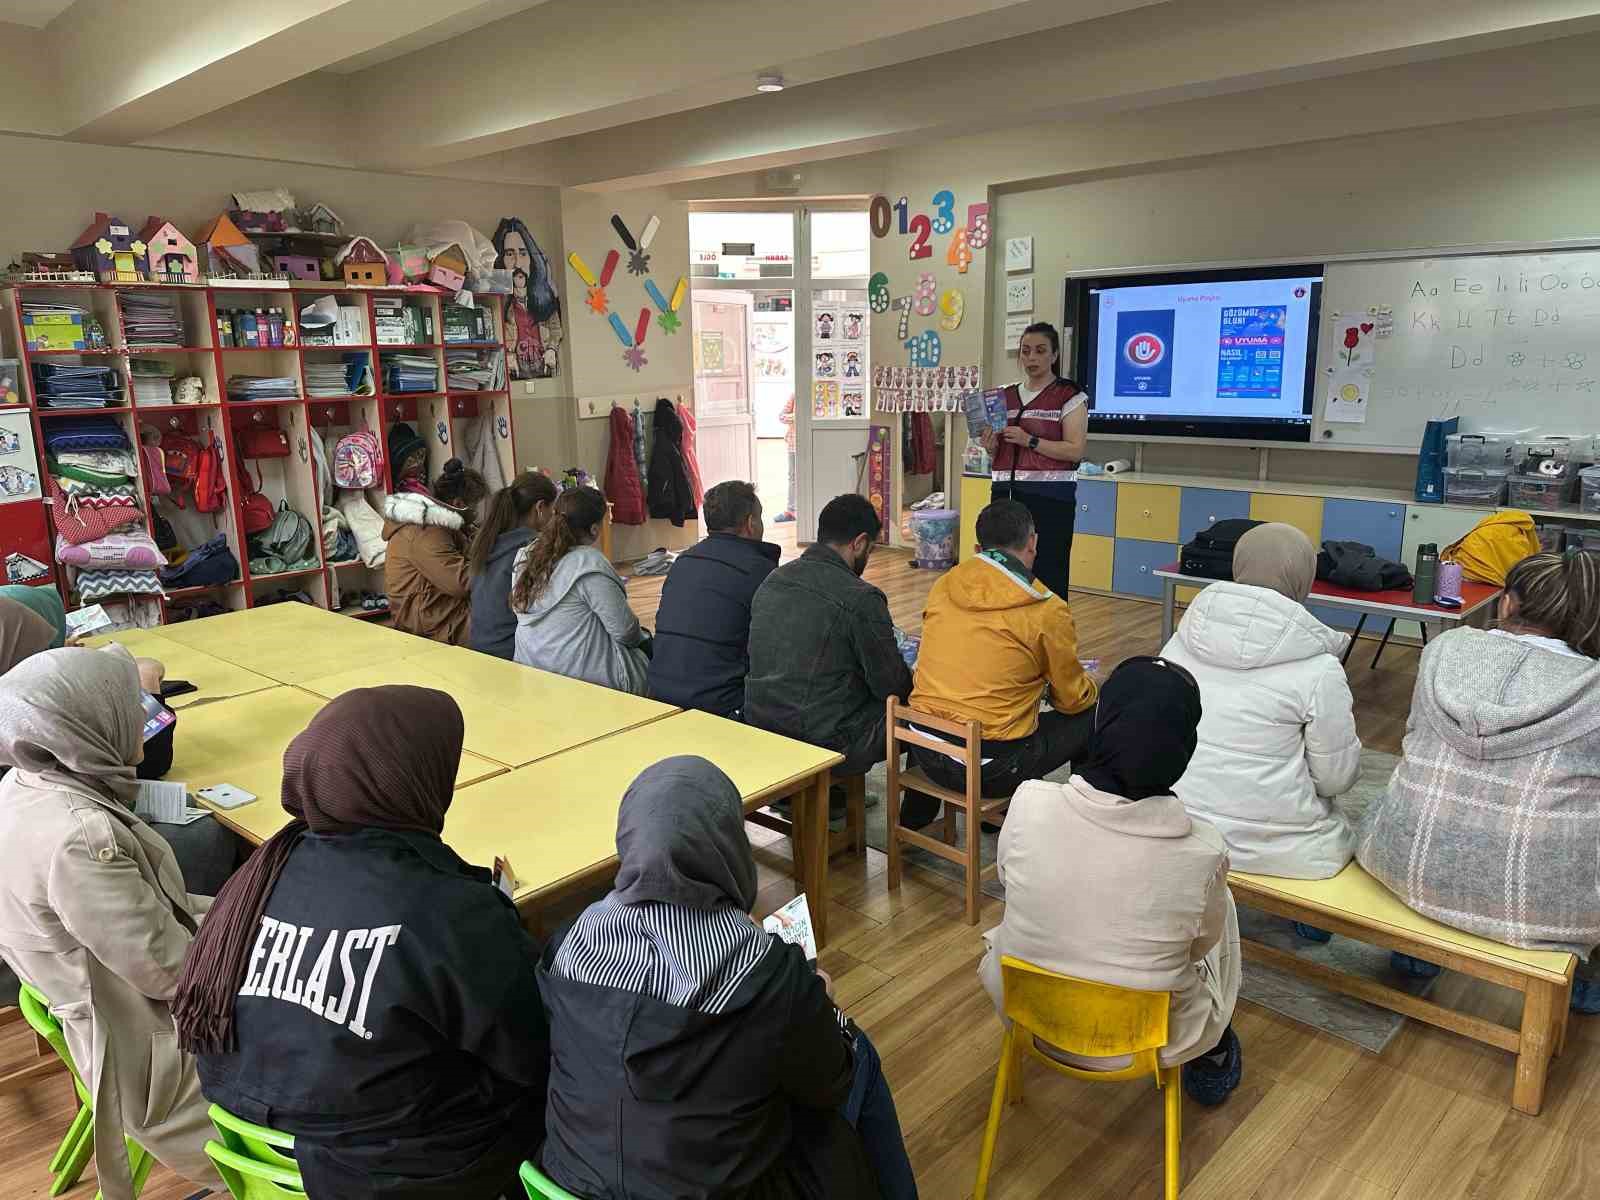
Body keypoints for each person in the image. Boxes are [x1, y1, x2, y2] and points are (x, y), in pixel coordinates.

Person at [176, 685, 549, 1199]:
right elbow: (531, 1052)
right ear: (414, 778)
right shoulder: (449, 909)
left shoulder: (258, 875)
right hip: (397, 1173)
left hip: (254, 1152)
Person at [538, 756, 917, 1200]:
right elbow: (832, 1081)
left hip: (572, 1185)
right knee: (860, 1054)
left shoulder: (568, 942)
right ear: (729, 845)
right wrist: (822, 1004)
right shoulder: (764, 970)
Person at [0, 647, 219, 1198]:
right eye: (133, 706)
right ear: (88, 726)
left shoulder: (23, 784)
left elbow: (158, 913)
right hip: (154, 1052)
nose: (146, 716)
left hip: (111, 1012)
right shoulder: (79, 840)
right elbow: (175, 977)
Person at [978, 657, 1242, 1106]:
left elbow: (1009, 879)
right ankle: (1212, 1049)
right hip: (1147, 1041)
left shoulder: (1028, 803)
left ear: (1101, 726)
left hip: (1027, 1013)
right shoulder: (1204, 851)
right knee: (1221, 908)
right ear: (1185, 747)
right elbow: (1198, 947)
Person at [1358, 550, 1600, 1005]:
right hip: (1539, 906)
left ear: (1508, 604)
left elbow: (1413, 737)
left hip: (1402, 863)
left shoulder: (1443, 649)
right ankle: (1582, 986)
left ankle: (1415, 953)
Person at [0, 597, 243, 897]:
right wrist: (147, 687)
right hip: (61, 849)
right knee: (204, 832)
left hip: (37, 857)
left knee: (189, 809)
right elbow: (145, 760)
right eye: (44, 644)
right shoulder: (29, 719)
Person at [1160, 522, 1361, 879]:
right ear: (1305, 577)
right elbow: (1336, 778)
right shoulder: (1320, 668)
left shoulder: (1180, 642)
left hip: (1179, 825)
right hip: (1283, 850)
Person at [905, 499, 1098, 827]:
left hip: (924, 751)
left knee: (944, 705)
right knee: (1092, 715)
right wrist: (1092, 685)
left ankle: (912, 822)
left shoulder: (944, 585)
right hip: (991, 768)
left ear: (978, 547)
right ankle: (1086, 824)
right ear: (1033, 543)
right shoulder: (1046, 608)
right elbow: (1071, 699)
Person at [746, 493, 912, 779]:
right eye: (869, 551)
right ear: (859, 543)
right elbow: (891, 686)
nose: (867, 560)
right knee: (925, 716)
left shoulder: (774, 580)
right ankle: (912, 820)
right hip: (825, 741)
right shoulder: (861, 598)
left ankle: (826, 799)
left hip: (760, 724)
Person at [648, 480, 781, 718]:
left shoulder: (683, 562)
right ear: (750, 523)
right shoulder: (760, 571)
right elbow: (776, 650)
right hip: (721, 705)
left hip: (660, 693)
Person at [982, 322, 1087, 599]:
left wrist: (1031, 440)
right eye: (1026, 351)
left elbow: (1075, 451)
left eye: (1040, 351)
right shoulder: (1003, 396)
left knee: (1049, 570)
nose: (1031, 358)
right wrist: (991, 447)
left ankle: (1050, 635)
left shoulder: (1070, 396)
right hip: (1005, 497)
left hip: (1050, 499)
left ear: (1053, 356)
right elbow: (998, 453)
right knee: (1003, 571)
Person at [512, 485, 649, 694]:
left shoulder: (524, 556)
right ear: (594, 529)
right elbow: (626, 632)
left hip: (532, 670)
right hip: (588, 678)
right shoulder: (589, 563)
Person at [383, 458, 488, 645]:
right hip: (433, 625)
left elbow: (471, 545)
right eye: (475, 507)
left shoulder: (446, 523)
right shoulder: (426, 532)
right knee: (506, 627)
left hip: (440, 611)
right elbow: (462, 583)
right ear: (457, 502)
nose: (476, 513)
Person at [467, 470, 559, 660]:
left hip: (479, 645)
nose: (554, 517)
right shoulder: (532, 549)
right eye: (553, 510)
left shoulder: (487, 542)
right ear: (540, 507)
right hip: (510, 652)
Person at [493, 216, 564, 380]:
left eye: (523, 253)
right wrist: (507, 354)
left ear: (532, 259)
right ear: (501, 260)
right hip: (515, 371)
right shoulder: (498, 302)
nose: (517, 262)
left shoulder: (545, 296)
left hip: (544, 370)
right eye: (510, 254)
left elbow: (556, 330)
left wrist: (552, 349)